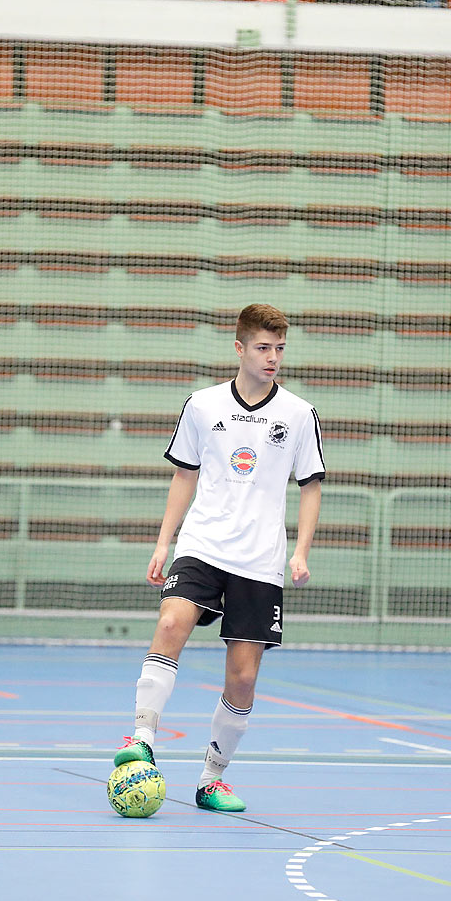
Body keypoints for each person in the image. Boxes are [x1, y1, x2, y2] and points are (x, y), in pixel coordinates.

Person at [112, 304, 325, 812]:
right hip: (203, 544)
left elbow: (311, 486)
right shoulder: (202, 406)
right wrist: (165, 542)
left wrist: (300, 551)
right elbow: (183, 474)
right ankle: (141, 738)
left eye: (279, 349)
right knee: (170, 623)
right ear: (240, 348)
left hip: (259, 560)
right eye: (263, 348)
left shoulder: (298, 414)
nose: (273, 358)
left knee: (244, 677)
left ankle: (212, 778)